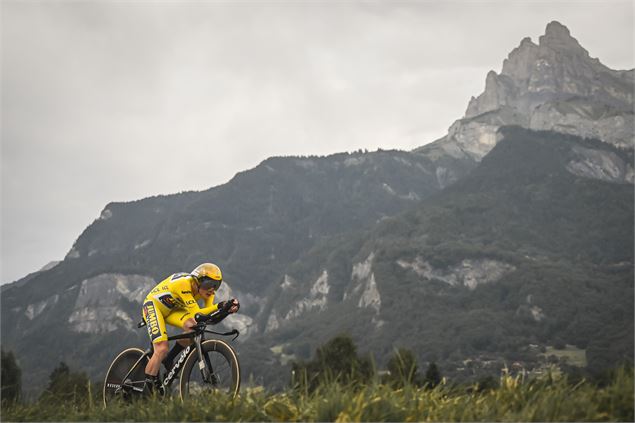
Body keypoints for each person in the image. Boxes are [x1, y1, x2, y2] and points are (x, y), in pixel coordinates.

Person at [141, 262, 239, 394]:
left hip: (172, 309)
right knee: (161, 348)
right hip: (153, 306)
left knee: (193, 328)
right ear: (198, 282)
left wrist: (226, 310)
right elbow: (198, 314)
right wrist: (222, 306)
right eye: (209, 284)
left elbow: (207, 318)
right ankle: (149, 391)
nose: (212, 289)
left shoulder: (207, 292)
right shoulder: (184, 284)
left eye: (216, 285)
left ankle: (169, 359)